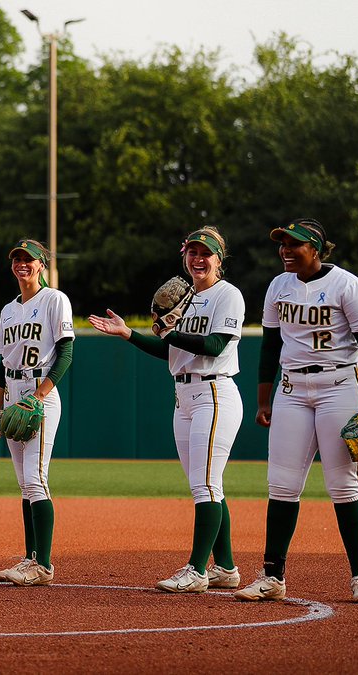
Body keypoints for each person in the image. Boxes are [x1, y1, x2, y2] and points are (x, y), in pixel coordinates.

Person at [234, 218, 358, 604]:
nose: (286, 251)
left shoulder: (348, 286)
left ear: (317, 249)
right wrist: (263, 398)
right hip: (292, 387)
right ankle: (272, 576)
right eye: (282, 244)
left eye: (295, 244)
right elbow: (270, 346)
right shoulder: (279, 285)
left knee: (342, 485)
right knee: (282, 484)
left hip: (342, 384)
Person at [89, 227, 245, 593]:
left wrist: (168, 333)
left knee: (205, 485)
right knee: (206, 486)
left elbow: (214, 345)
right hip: (184, 398)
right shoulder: (185, 299)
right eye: (192, 252)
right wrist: (129, 334)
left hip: (215, 393)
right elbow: (170, 352)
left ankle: (196, 570)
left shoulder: (228, 295)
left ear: (219, 259)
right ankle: (225, 567)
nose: (198, 258)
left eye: (205, 253)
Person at [0, 240, 75, 586]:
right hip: (12, 393)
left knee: (36, 479)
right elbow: (1, 365)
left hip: (40, 394)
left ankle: (44, 565)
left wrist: (38, 396)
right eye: (18, 260)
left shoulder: (55, 300)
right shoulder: (9, 310)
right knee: (25, 484)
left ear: (42, 265)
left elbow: (66, 354)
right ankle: (30, 558)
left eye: (29, 260)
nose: (22, 264)